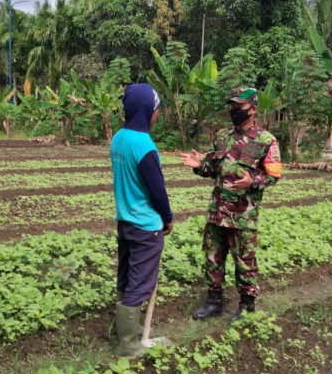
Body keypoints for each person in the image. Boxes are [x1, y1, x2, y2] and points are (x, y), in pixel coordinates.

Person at [180, 87, 281, 323]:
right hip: (217, 213)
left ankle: (247, 306)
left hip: (243, 215)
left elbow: (274, 175)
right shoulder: (222, 136)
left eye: (240, 108)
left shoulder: (267, 141)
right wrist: (199, 164)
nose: (234, 111)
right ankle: (214, 302)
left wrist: (253, 180)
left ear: (253, 109)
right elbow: (212, 168)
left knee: (244, 262)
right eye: (233, 107)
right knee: (213, 258)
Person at [110, 83, 174, 357]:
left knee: (125, 278)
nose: (158, 114)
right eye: (156, 109)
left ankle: (124, 332)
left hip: (125, 221)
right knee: (140, 282)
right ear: (147, 110)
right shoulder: (145, 146)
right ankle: (130, 345)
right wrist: (168, 218)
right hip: (146, 226)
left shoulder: (118, 138)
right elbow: (157, 190)